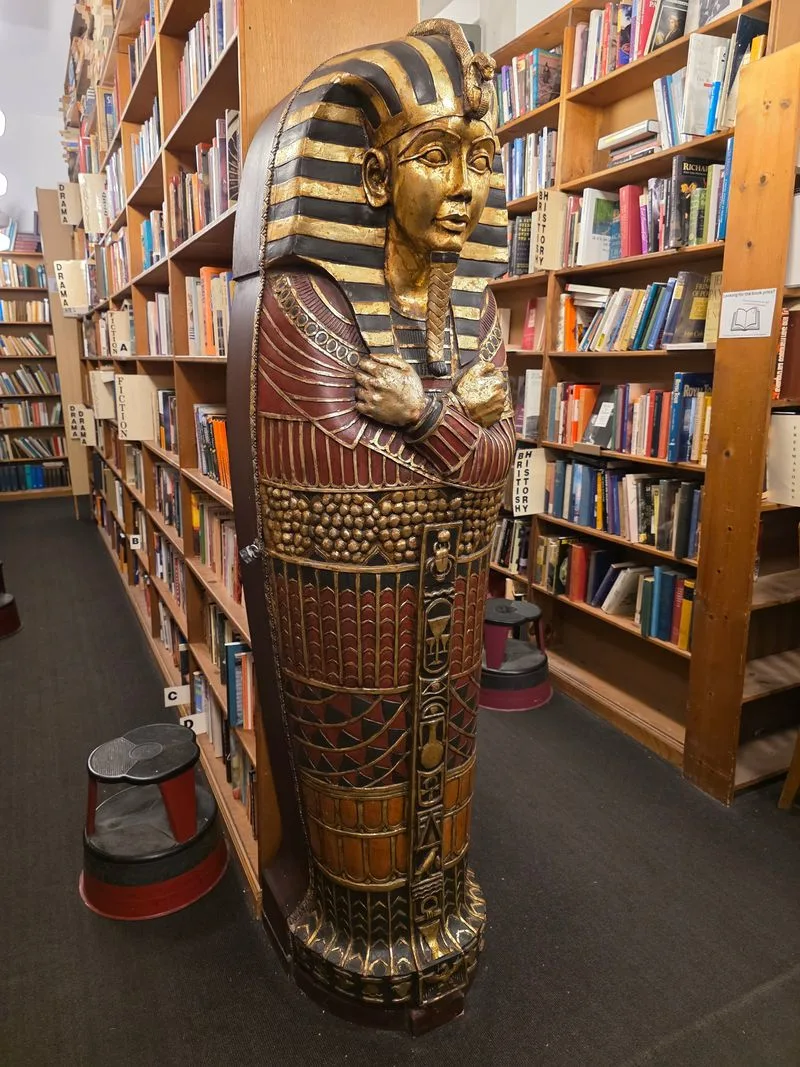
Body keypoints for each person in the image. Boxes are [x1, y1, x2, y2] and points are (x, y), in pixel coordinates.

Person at [229, 18, 514, 1025]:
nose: (468, 186)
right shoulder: (309, 308)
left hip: (449, 591)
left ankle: (434, 915)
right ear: (368, 179)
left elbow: (492, 483)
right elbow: (338, 480)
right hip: (345, 602)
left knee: (448, 785)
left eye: (480, 158)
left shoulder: (477, 320)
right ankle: (359, 930)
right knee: (365, 782)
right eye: (436, 156)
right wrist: (457, 429)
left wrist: (426, 417)